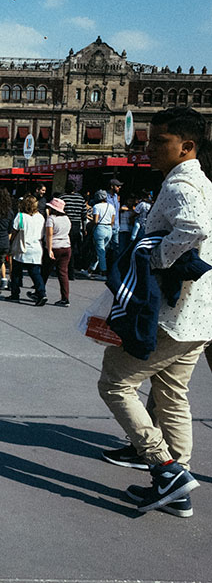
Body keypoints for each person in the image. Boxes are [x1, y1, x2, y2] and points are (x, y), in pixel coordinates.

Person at [98, 107, 211, 517]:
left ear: (187, 147)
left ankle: (165, 470)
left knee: (114, 382)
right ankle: (177, 486)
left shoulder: (181, 183)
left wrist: (156, 257)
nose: (149, 148)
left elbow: (193, 228)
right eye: (149, 140)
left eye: (159, 141)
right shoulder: (203, 182)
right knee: (172, 395)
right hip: (200, 316)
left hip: (172, 314)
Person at [8, 195, 46, 305]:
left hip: (22, 246)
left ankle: (15, 293)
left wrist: (10, 243)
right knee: (35, 273)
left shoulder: (20, 216)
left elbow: (14, 231)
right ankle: (41, 293)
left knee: (16, 272)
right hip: (36, 247)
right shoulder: (40, 217)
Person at [42, 198, 72, 307]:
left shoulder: (51, 219)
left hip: (55, 246)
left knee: (45, 271)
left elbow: (49, 234)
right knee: (63, 273)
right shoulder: (66, 219)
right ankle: (65, 298)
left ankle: (39, 292)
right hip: (66, 246)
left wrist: (49, 249)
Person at [59, 181, 88, 280]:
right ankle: (72, 272)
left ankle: (65, 269)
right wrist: (84, 228)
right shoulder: (80, 198)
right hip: (76, 225)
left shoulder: (62, 198)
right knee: (73, 248)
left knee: (63, 247)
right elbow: (84, 215)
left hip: (65, 223)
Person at [88, 189, 115, 278]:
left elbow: (95, 220)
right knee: (101, 251)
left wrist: (89, 221)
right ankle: (91, 269)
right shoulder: (111, 206)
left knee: (101, 252)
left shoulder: (96, 206)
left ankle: (103, 272)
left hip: (100, 229)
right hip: (109, 230)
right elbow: (112, 221)